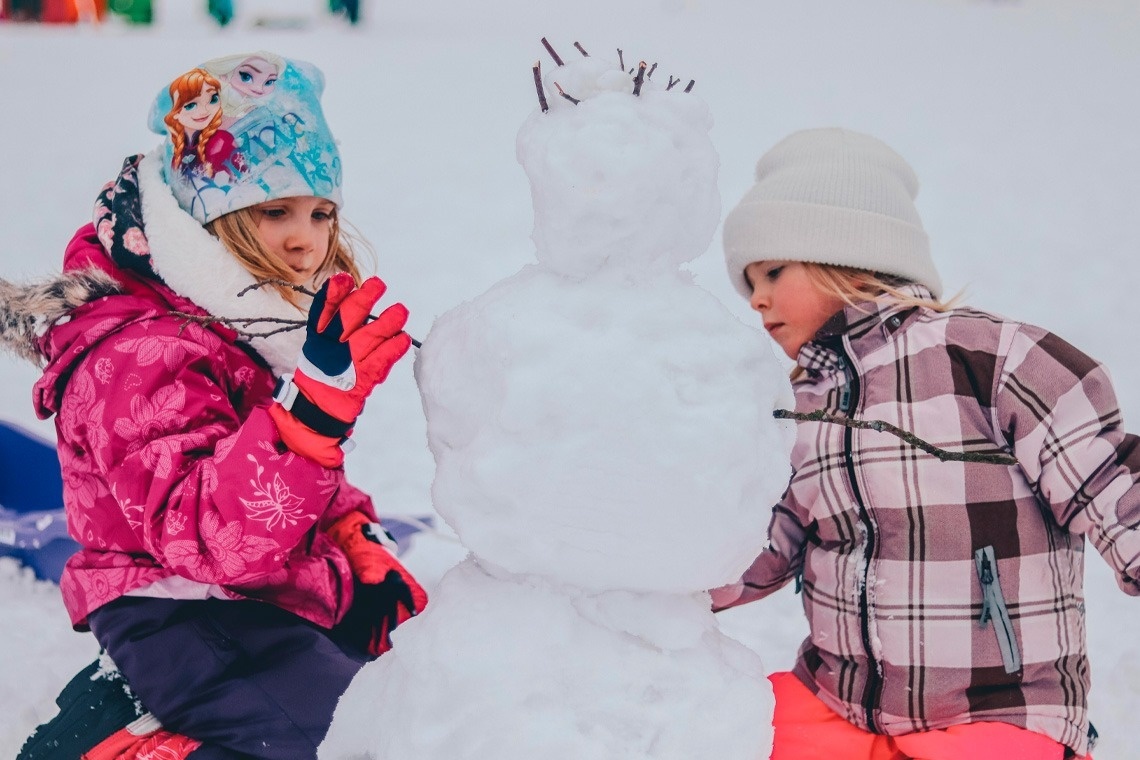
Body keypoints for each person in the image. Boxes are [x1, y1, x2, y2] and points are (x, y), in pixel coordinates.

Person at [11, 51, 427, 760]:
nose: (306, 238)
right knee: (357, 742)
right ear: (210, 220)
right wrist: (310, 422)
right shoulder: (135, 355)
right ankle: (136, 743)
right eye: (274, 210)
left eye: (321, 211)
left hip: (259, 598)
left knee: (411, 692)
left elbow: (279, 475)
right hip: (178, 614)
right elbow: (202, 537)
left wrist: (352, 534)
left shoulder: (237, 323)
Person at [713, 127, 1135, 760]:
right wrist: (641, 576)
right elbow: (757, 543)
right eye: (749, 285)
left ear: (847, 254)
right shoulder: (799, 408)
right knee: (721, 724)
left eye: (772, 270)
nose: (758, 300)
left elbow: (1105, 477)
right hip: (838, 707)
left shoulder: (991, 359)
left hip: (995, 711)